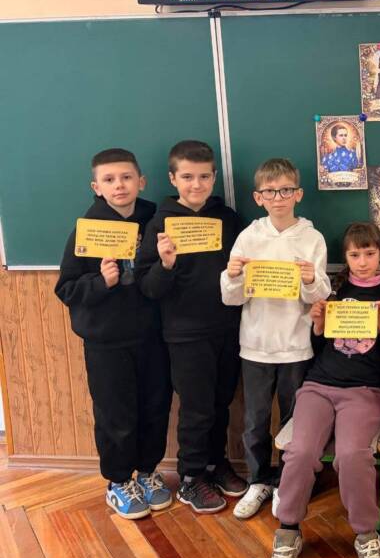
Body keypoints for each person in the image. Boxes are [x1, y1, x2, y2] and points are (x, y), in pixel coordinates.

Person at [271, 222, 380, 558]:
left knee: (352, 455)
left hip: (364, 391)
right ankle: (287, 528)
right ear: (345, 257)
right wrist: (318, 324)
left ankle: (365, 533)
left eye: (369, 254)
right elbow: (318, 347)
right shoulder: (333, 290)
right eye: (355, 255)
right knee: (301, 451)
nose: (362, 262)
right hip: (318, 387)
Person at [55, 149, 173, 520]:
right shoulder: (86, 229)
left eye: (126, 177)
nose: (119, 185)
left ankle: (148, 472)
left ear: (141, 182)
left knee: (155, 407)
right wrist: (100, 282)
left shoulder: (154, 220)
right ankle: (119, 481)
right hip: (106, 342)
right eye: (109, 180)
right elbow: (66, 288)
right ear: (97, 187)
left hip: (153, 336)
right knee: (116, 414)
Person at [135, 140, 247, 514]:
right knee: (197, 407)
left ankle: (215, 464)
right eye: (187, 177)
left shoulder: (228, 219)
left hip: (227, 327)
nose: (196, 184)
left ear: (214, 177)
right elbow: (148, 288)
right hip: (185, 334)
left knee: (220, 401)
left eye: (203, 176)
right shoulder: (160, 223)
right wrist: (165, 264)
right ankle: (190, 476)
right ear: (173, 179)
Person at [220, 158, 331, 519]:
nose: (278, 198)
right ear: (258, 197)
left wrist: (311, 280)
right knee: (255, 420)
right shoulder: (248, 237)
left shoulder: (312, 238)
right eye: (270, 192)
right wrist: (232, 275)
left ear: (298, 194)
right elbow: (231, 298)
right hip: (255, 345)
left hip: (296, 346)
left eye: (285, 190)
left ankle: (288, 482)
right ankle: (258, 480)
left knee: (293, 421)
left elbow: (319, 296)